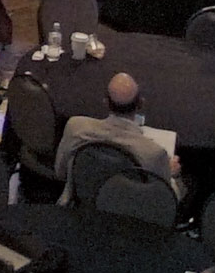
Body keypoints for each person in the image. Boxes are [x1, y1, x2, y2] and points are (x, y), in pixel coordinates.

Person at [53, 71, 179, 200]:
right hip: (127, 210)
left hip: (78, 205)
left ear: (106, 102)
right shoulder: (154, 154)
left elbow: (60, 172)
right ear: (140, 103)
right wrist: (170, 174)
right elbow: (164, 200)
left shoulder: (75, 127)